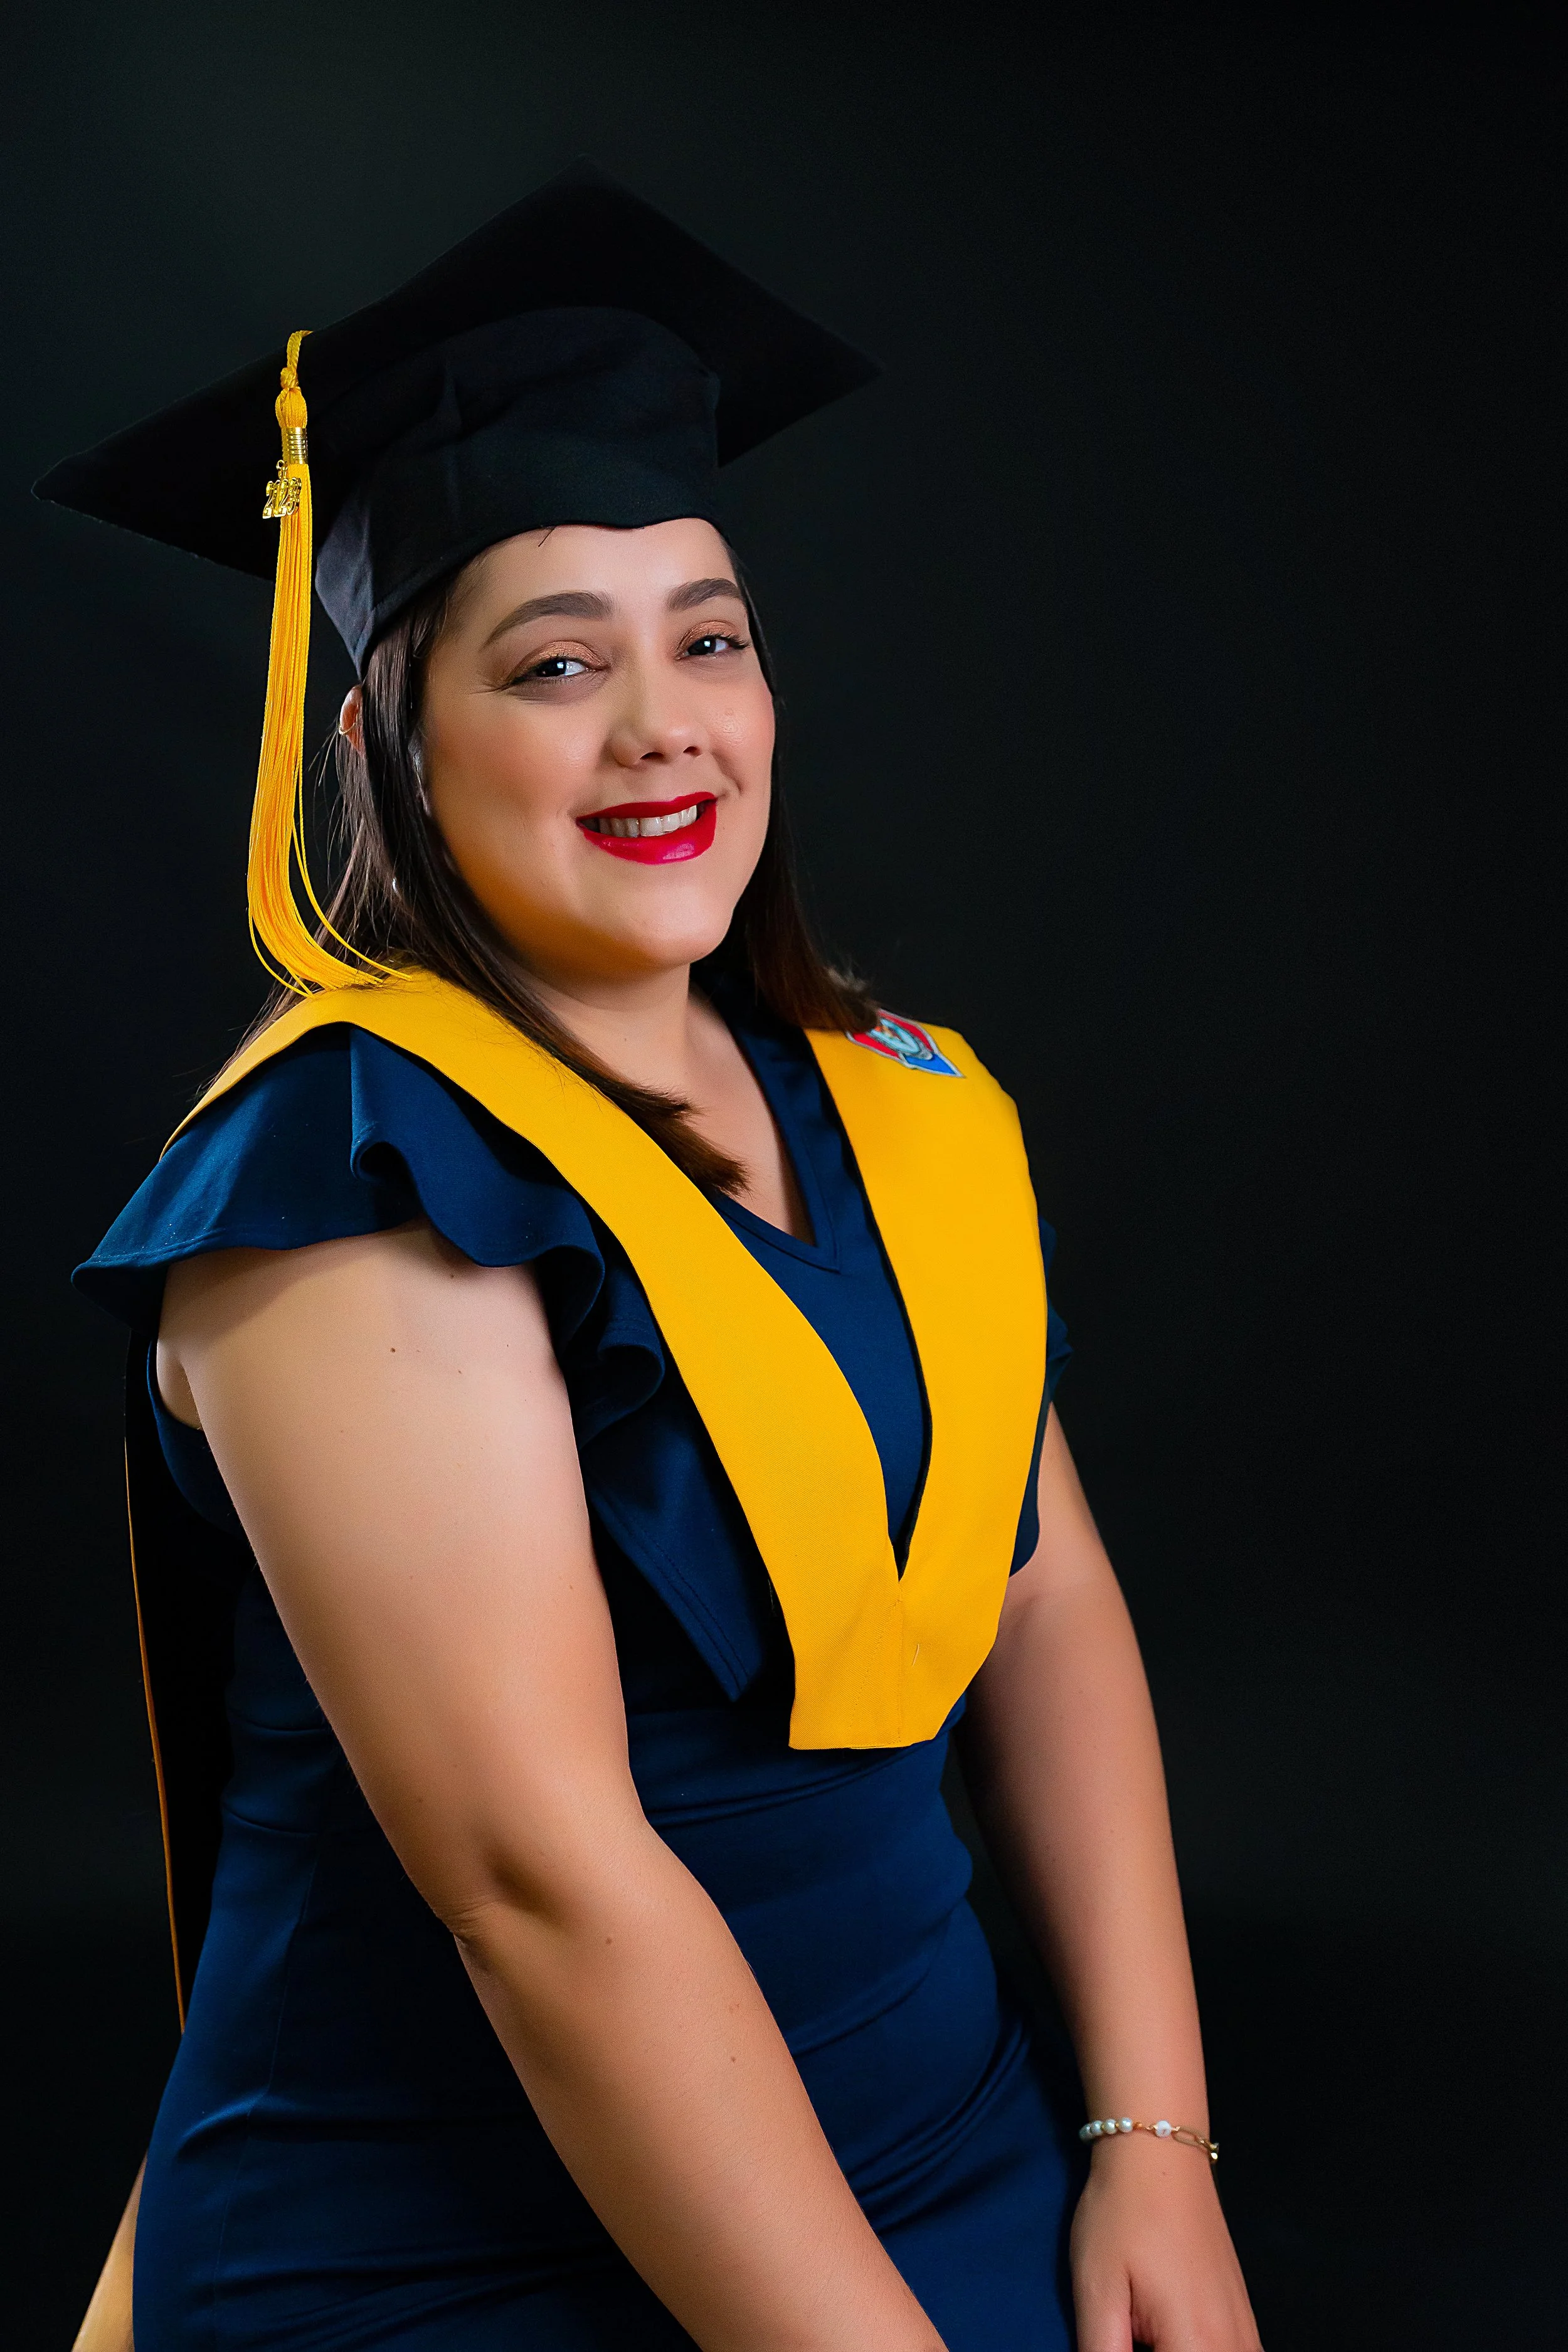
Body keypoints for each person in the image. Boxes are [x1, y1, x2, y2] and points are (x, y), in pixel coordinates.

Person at [45, 164, 1261, 2352]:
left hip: (930, 2143)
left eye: (706, 637)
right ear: (383, 742)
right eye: (552, 661)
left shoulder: (883, 1099)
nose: (660, 726)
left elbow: (1039, 1584)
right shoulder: (348, 1169)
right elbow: (547, 1890)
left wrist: (1145, 2146)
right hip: (454, 2243)